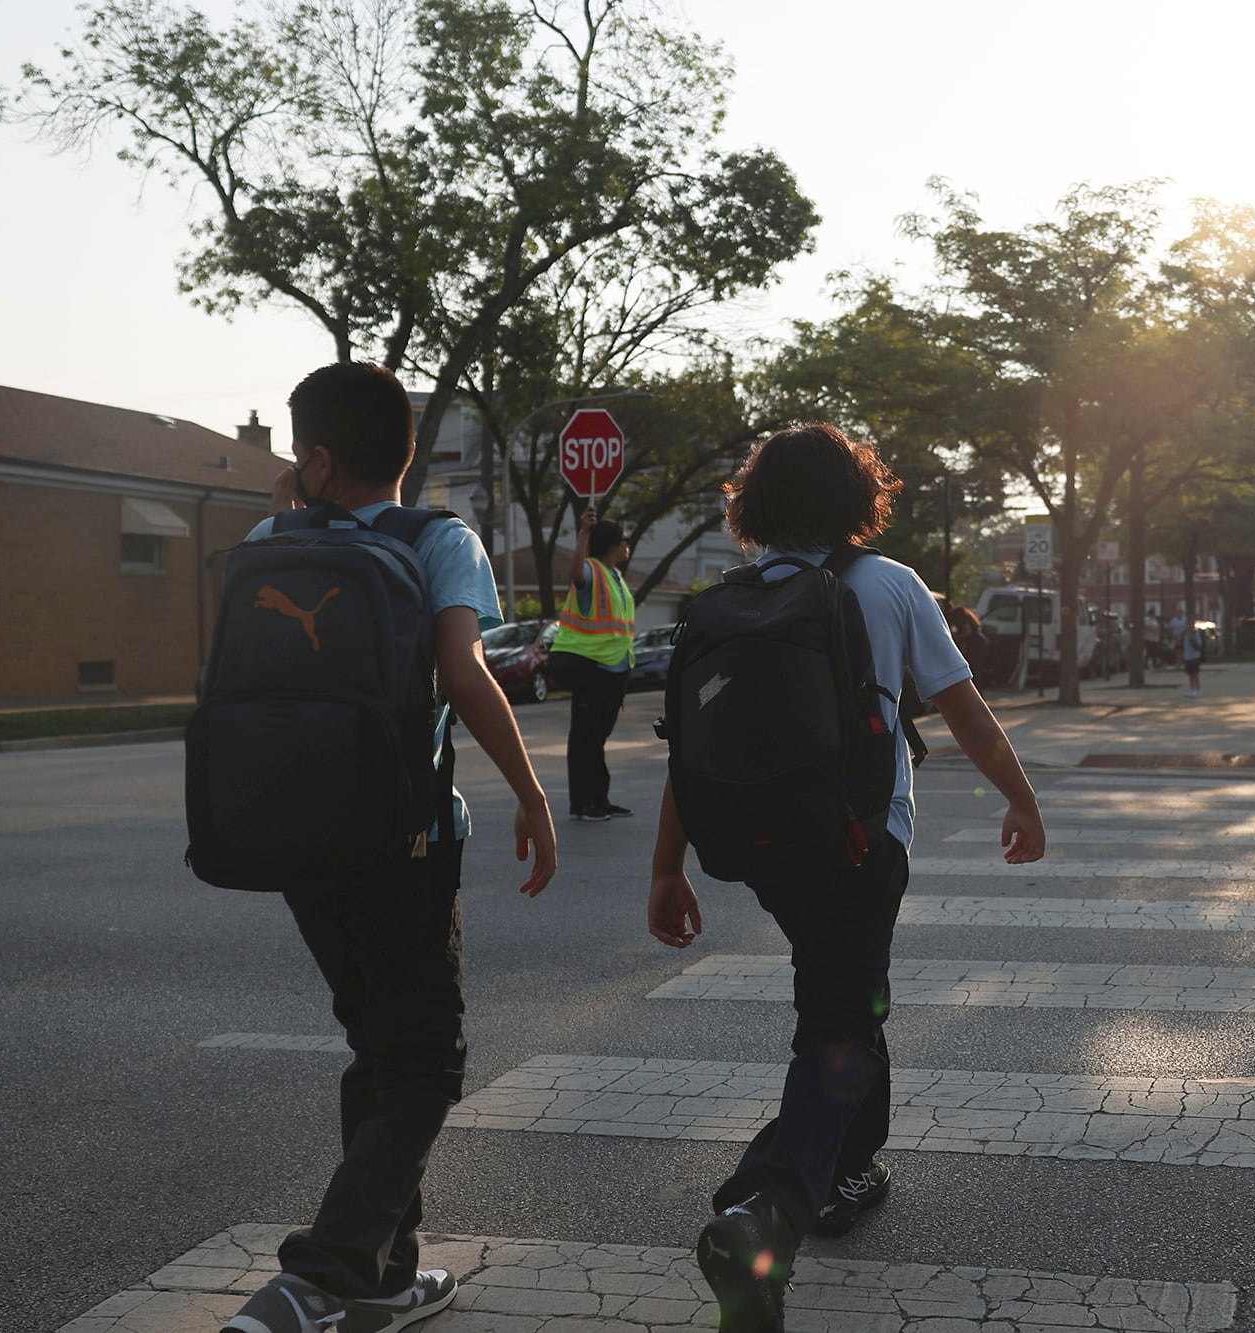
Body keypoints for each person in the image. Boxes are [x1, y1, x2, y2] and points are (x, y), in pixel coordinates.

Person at [646, 424, 1047, 1333]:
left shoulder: (731, 601)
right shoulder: (891, 583)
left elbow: (686, 756)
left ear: (757, 507)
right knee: (838, 1020)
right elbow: (968, 713)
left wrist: (668, 868)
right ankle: (764, 1210)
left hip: (761, 848)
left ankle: (847, 1166)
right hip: (862, 843)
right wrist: (1021, 800)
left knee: (847, 994)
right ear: (857, 499)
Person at [220, 363, 558, 1333]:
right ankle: (318, 1275)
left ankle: (379, 1276)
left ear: (316, 458)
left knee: (380, 1044)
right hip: (402, 838)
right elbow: (463, 670)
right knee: (423, 1058)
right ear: (405, 449)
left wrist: (291, 507)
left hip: (288, 831)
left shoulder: (265, 541)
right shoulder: (436, 539)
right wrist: (529, 793)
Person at [549, 508, 637, 821]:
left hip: (615, 668)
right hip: (590, 667)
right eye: (624, 539)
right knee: (584, 736)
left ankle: (600, 798)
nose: (628, 544)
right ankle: (582, 804)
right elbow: (576, 573)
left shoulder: (615, 577)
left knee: (598, 738)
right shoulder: (591, 570)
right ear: (612, 544)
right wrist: (584, 534)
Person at [1181, 616, 1206, 697]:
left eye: (1190, 624)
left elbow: (1198, 646)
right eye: (1187, 624)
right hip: (1187, 656)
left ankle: (1198, 690)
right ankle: (1192, 689)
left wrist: (1191, 638)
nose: (1188, 625)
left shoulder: (1195, 633)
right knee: (1190, 675)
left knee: (1195, 674)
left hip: (1194, 656)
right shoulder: (1185, 633)